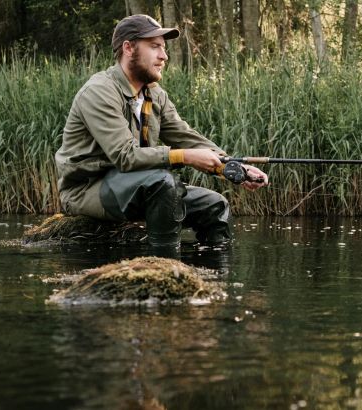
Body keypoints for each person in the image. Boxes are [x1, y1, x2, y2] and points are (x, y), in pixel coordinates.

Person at [55, 14, 268, 248]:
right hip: (87, 190)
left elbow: (186, 136)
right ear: (128, 48)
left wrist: (231, 166)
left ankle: (213, 280)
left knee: (215, 205)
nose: (164, 56)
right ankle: (165, 268)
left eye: (164, 48)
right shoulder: (99, 91)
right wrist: (185, 157)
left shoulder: (155, 94)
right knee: (164, 183)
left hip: (139, 186)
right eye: (155, 47)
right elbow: (125, 156)